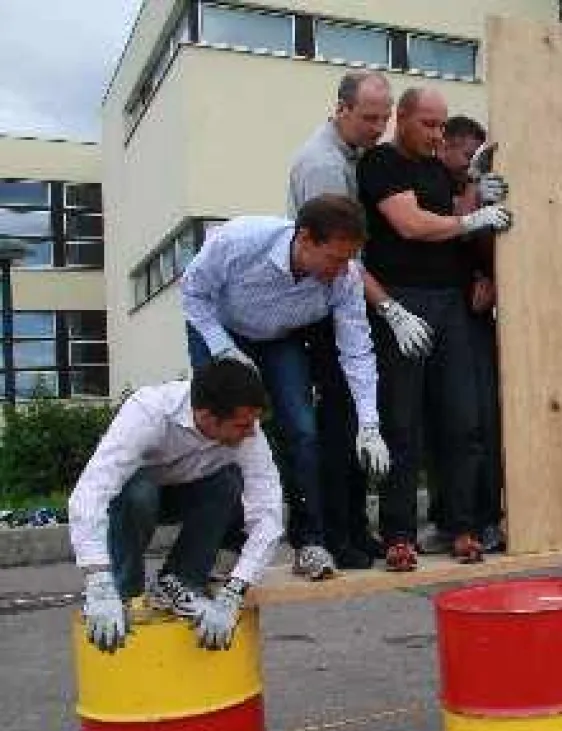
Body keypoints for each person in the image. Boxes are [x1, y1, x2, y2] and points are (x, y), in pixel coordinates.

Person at [180, 194, 390, 581]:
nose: (342, 269)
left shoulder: (345, 276)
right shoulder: (239, 241)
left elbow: (357, 350)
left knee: (303, 430)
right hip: (219, 327)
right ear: (305, 239)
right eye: (334, 258)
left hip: (279, 337)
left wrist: (370, 424)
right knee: (223, 430)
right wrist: (223, 348)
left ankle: (309, 543)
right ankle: (221, 545)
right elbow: (192, 294)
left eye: (349, 259)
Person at [357, 87, 512, 571]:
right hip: (402, 301)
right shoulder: (380, 163)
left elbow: (455, 234)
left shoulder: (437, 169)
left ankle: (461, 527)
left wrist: (480, 262)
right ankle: (399, 536)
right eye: (427, 124)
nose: (436, 134)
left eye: (441, 126)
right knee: (403, 424)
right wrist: (472, 218)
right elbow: (412, 225)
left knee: (463, 422)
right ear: (401, 119)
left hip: (450, 305)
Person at [71, 360, 282, 653]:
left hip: (187, 493)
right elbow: (89, 494)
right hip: (135, 498)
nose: (250, 434)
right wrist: (98, 581)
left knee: (227, 483)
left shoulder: (248, 432)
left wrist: (234, 591)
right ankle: (122, 591)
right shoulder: (148, 411)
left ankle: (180, 583)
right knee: (139, 493)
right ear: (206, 416)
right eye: (242, 425)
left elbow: (269, 514)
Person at [286, 71, 405, 568]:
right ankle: (336, 535)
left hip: (342, 297)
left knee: (358, 417)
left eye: (384, 118)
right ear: (341, 110)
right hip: (323, 304)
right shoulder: (323, 167)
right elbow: (345, 259)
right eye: (369, 118)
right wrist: (390, 307)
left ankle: (356, 528)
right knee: (338, 425)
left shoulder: (351, 154)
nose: (379, 128)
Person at [420, 115, 506, 555]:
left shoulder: (483, 186)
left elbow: (492, 246)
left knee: (480, 421)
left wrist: (489, 275)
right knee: (441, 421)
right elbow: (438, 232)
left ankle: (484, 518)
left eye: (478, 152)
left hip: (469, 315)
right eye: (464, 151)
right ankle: (447, 517)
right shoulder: (431, 182)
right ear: (445, 147)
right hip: (431, 308)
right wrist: (472, 200)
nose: (470, 160)